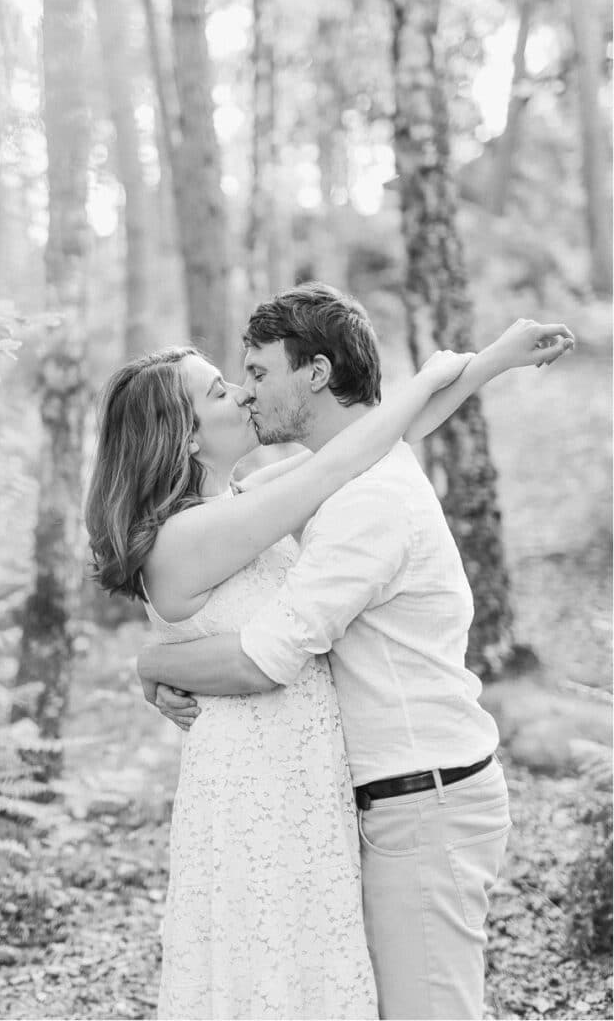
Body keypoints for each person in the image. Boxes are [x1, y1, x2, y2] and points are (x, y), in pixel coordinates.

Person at [134, 285, 574, 1021]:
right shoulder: (314, 485)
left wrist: (152, 662)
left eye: (257, 372)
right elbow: (377, 433)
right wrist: (478, 365)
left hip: (419, 797)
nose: (246, 393)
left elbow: (264, 659)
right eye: (229, 382)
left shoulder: (365, 501)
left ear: (314, 373)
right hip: (352, 800)